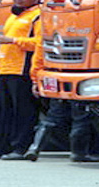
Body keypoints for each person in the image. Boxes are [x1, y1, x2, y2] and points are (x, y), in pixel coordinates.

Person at [0, 0, 40, 160]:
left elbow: (39, 44)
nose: (18, 0)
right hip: (5, 70)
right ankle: (2, 147)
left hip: (22, 71)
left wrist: (13, 41)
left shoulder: (37, 16)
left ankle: (20, 148)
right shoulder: (13, 17)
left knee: (22, 112)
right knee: (2, 111)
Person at [24, 34, 99, 162]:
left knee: (52, 117)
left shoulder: (55, 31)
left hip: (57, 72)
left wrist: (35, 78)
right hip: (82, 73)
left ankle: (34, 148)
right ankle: (78, 153)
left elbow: (39, 55)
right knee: (81, 117)